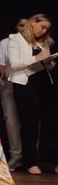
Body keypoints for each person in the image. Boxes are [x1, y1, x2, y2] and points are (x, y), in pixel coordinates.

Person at [7, 14, 55, 175]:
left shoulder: (43, 42)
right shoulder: (15, 39)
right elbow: (14, 64)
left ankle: (51, 160)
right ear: (33, 22)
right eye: (42, 27)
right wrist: (36, 58)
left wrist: (49, 62)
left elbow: (48, 67)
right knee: (30, 124)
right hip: (26, 85)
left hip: (44, 84)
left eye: (47, 29)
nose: (44, 31)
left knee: (51, 123)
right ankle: (31, 162)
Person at [0, 18, 27, 169]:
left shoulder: (34, 43)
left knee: (31, 122)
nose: (24, 28)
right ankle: (16, 156)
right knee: (12, 122)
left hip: (30, 85)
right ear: (15, 27)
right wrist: (5, 74)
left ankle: (32, 157)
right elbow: (1, 66)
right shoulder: (5, 43)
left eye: (27, 25)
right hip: (10, 84)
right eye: (21, 25)